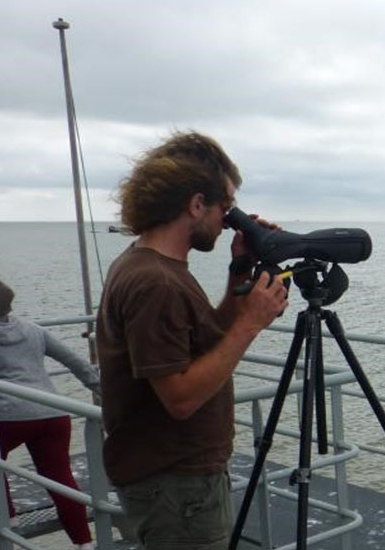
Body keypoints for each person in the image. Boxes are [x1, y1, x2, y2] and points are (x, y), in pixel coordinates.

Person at [95, 131, 289, 550]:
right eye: (227, 207)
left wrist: (240, 271)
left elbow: (203, 344)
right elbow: (180, 398)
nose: (228, 219)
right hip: (175, 487)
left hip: (177, 479)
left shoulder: (151, 265)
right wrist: (250, 324)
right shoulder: (155, 282)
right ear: (196, 204)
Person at [0, 276, 98, 550]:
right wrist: (101, 391)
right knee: (60, 477)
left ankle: (7, 521)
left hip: (7, 420)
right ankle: (84, 543)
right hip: (53, 414)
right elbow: (75, 361)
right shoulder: (33, 329)